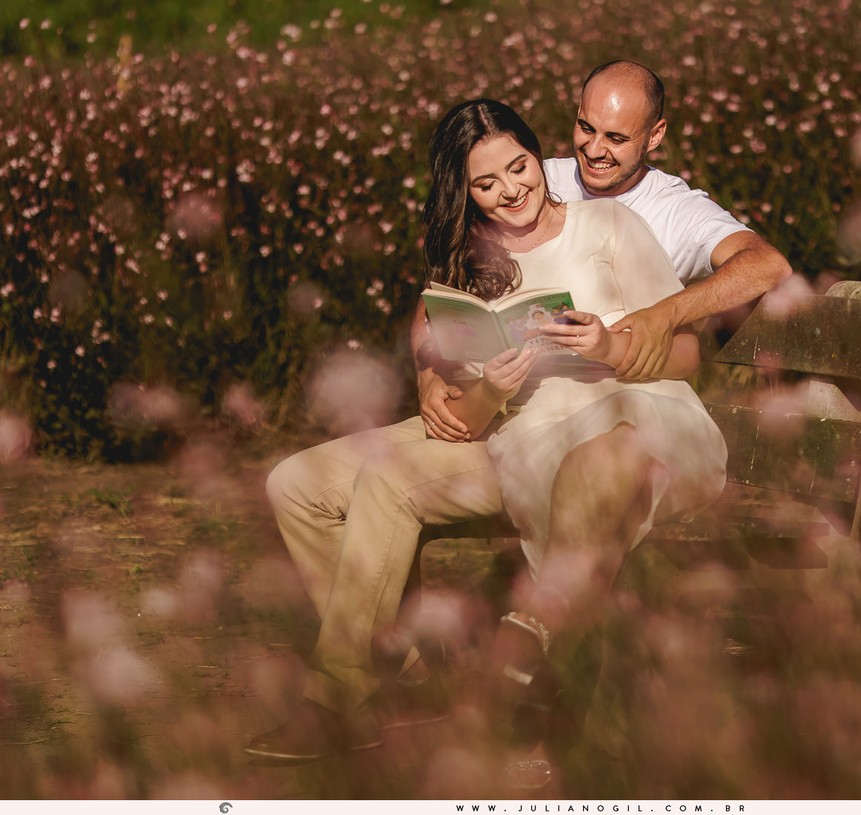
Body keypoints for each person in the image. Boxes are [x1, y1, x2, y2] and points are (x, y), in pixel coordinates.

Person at [245, 61, 791, 763]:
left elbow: (732, 301)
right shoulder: (527, 188)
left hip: (613, 418)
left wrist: (620, 339)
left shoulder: (643, 216)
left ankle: (484, 663)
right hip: (514, 422)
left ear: (655, 136)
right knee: (301, 483)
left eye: (616, 138)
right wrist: (437, 370)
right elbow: (443, 306)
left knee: (554, 463)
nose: (593, 151)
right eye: (584, 129)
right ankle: (398, 682)